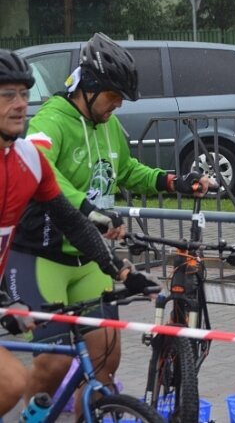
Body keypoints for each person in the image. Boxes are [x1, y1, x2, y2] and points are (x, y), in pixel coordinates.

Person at [7, 33, 212, 405]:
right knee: (53, 364)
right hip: (41, 257)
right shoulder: (53, 121)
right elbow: (42, 173)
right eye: (112, 96)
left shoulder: (108, 126)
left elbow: (127, 170)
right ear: (87, 87)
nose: (116, 105)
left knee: (106, 358)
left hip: (89, 257)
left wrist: (172, 181)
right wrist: (93, 213)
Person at [0, 49, 158, 416]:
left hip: (76, 261)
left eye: (24, 94)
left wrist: (120, 270)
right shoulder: (53, 127)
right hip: (35, 259)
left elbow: (70, 219)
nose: (21, 104)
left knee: (103, 351)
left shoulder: (27, 158)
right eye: (8, 95)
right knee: (26, 375)